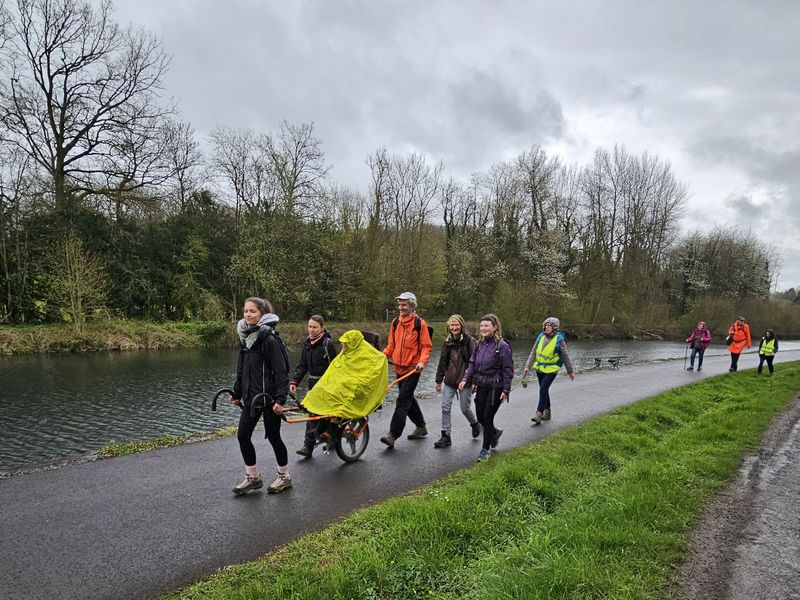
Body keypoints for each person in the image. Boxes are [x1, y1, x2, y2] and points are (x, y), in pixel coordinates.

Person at [229, 297, 292, 495]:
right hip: (251, 397)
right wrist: (237, 392)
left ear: (262, 314)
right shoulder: (245, 337)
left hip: (269, 398)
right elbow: (242, 369)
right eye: (245, 311)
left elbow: (281, 371)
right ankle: (253, 477)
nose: (248, 315)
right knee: (242, 436)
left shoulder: (270, 339)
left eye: (252, 311)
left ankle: (284, 476)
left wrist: (281, 400)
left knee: (274, 437)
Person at [379, 292, 433, 448]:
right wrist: (381, 357)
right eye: (399, 305)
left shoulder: (419, 324)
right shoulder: (396, 323)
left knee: (402, 400)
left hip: (413, 370)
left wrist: (422, 362)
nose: (401, 307)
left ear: (412, 306)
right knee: (408, 398)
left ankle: (392, 434)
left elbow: (426, 346)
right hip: (399, 368)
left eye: (404, 305)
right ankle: (421, 426)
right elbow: (391, 346)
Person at [459, 314, 513, 462]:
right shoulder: (479, 345)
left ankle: (485, 449)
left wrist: (506, 390)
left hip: (496, 387)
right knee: (481, 418)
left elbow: (508, 370)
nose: (483, 328)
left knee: (488, 417)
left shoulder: (502, 346)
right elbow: (472, 365)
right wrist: (466, 379)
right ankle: (494, 433)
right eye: (481, 326)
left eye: (486, 326)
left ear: (494, 327)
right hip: (481, 385)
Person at [290, 315, 338, 458]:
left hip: (326, 384)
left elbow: (335, 366)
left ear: (322, 328)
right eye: (309, 326)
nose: (311, 330)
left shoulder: (327, 344)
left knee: (326, 413)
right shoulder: (307, 343)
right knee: (312, 414)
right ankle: (308, 446)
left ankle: (332, 438)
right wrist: (294, 382)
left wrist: (332, 385)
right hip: (313, 383)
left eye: (314, 327)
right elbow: (302, 365)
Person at [433, 314, 480, 448]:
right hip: (450, 380)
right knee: (445, 407)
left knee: (465, 408)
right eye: (452, 325)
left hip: (465, 381)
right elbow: (442, 362)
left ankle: (474, 424)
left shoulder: (470, 342)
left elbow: (475, 363)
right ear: (449, 327)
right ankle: (446, 435)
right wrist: (438, 380)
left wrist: (474, 380)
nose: (454, 328)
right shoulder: (447, 342)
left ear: (461, 326)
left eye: (456, 325)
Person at [523, 317, 575, 425]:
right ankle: (548, 412)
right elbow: (533, 352)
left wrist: (570, 371)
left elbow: (565, 356)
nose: (546, 327)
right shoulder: (540, 337)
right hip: (540, 368)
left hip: (552, 369)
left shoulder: (559, 340)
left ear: (554, 327)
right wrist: (527, 366)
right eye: (545, 325)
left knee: (543, 389)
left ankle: (539, 413)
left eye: (549, 325)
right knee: (544, 389)